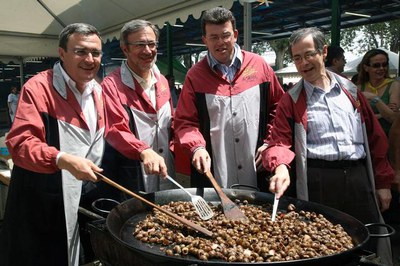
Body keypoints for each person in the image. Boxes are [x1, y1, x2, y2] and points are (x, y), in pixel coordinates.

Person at [262, 27, 394, 265]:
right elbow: (279, 140)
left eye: (309, 54)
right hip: (318, 181)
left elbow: (376, 140)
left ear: (323, 52)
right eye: (297, 58)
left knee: (368, 245)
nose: (303, 63)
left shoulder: (351, 92)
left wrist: (383, 182)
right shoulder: (291, 99)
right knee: (321, 245)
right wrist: (280, 166)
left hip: (358, 180)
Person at [0, 23, 105, 266]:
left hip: (81, 196)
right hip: (42, 197)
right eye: (80, 51)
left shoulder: (98, 90)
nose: (90, 59)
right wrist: (61, 159)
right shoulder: (38, 88)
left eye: (96, 53)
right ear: (62, 53)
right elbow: (20, 143)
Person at [174, 7, 284, 190]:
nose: (220, 42)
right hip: (214, 172)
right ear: (204, 40)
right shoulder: (195, 76)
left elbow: (279, 108)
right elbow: (184, 121)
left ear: (235, 35)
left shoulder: (259, 66)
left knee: (260, 216)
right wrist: (197, 147)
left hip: (258, 167)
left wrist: (269, 142)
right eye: (213, 37)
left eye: (225, 35)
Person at [101, 19, 175, 199]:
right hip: (132, 174)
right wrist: (144, 150)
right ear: (125, 48)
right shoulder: (111, 85)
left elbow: (170, 123)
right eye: (140, 45)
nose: (148, 50)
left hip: (166, 170)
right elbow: (115, 129)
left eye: (152, 44)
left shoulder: (162, 81)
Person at [357, 48, 400, 136]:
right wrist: (382, 113)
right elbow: (357, 117)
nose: (381, 68)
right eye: (376, 65)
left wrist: (374, 98)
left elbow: (393, 118)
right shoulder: (359, 87)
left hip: (388, 139)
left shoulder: (394, 85)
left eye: (384, 65)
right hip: (366, 138)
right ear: (366, 68)